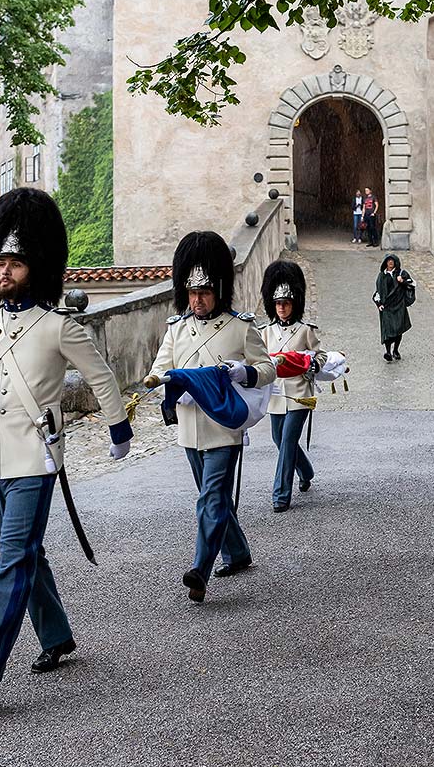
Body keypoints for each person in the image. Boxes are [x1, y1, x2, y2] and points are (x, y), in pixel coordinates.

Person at [0, 188, 133, 710]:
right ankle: (56, 635)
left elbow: (102, 377)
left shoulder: (58, 326)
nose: (5, 270)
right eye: (0, 261)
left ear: (36, 268)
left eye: (15, 262)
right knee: (26, 557)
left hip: (37, 458)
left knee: (11, 561)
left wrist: (118, 430)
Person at [145, 231, 277, 603]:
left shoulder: (240, 327)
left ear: (218, 290)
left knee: (210, 498)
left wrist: (243, 373)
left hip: (224, 424)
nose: (197, 300)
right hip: (190, 426)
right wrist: (163, 382)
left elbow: (266, 369)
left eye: (203, 293)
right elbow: (160, 368)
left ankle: (200, 569)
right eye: (191, 293)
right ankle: (237, 551)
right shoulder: (177, 328)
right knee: (214, 496)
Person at [260, 261, 327, 513]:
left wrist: (312, 366)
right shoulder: (265, 332)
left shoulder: (305, 330)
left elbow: (320, 356)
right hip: (276, 394)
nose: (282, 308)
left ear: (294, 303)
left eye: (286, 303)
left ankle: (281, 494)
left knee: (288, 440)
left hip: (300, 393)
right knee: (278, 438)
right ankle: (306, 470)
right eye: (278, 304)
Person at [373, 253, 415, 361]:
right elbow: (377, 292)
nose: (390, 263)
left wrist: (403, 281)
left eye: (392, 261)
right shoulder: (381, 276)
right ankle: (387, 352)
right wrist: (379, 304)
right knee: (387, 330)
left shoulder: (402, 273)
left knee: (398, 330)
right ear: (385, 263)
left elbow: (413, 284)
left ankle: (395, 350)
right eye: (388, 261)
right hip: (386, 307)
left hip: (399, 306)